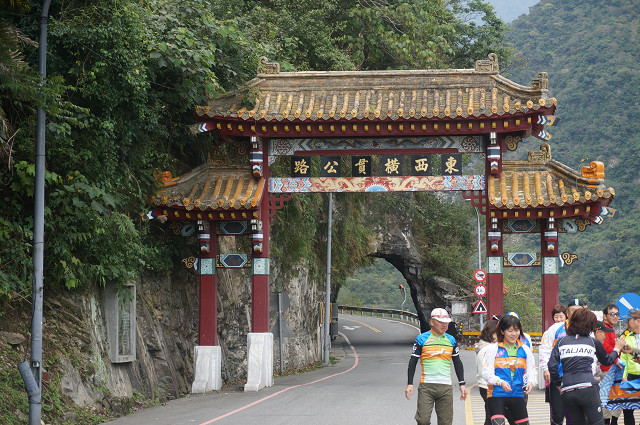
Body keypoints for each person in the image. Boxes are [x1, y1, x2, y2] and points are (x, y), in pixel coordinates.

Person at [548, 309, 626, 425]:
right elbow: (607, 361)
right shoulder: (592, 341)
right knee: (598, 422)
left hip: (567, 389)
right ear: (589, 325)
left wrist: (559, 384)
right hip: (587, 388)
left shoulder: (561, 342)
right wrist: (617, 348)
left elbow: (552, 366)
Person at [406, 308, 467, 425]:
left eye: (446, 322)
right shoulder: (421, 339)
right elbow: (413, 361)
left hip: (446, 387)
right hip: (426, 387)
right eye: (440, 322)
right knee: (422, 420)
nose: (444, 325)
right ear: (432, 322)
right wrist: (410, 383)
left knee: (446, 422)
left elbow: (457, 362)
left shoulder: (451, 340)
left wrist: (462, 384)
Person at [481, 314, 537, 425]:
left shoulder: (525, 350)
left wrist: (531, 382)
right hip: (496, 393)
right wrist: (500, 382)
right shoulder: (493, 349)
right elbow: (486, 373)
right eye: (510, 331)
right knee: (498, 422)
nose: (514, 334)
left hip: (517, 393)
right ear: (502, 331)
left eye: (516, 330)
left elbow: (532, 371)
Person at [540, 299, 587, 425]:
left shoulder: (587, 329)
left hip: (579, 377)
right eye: (573, 310)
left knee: (576, 413)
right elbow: (545, 349)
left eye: (579, 310)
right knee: (558, 413)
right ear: (567, 312)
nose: (576, 313)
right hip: (558, 376)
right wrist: (545, 369)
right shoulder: (555, 328)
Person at [601, 304, 622, 425]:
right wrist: (618, 349)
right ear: (605, 316)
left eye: (617, 314)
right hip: (607, 369)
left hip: (614, 368)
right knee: (608, 398)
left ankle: (612, 421)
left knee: (613, 398)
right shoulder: (604, 329)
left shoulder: (611, 329)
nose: (615, 317)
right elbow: (606, 348)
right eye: (612, 314)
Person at [476, 319, 499, 425]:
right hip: (489, 386)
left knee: (490, 416)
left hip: (485, 386)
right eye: (497, 333)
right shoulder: (489, 349)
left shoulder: (484, 346)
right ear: (491, 333)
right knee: (492, 417)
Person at [620, 309, 640, 425]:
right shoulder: (627, 337)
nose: (626, 323)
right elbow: (624, 359)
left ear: (638, 321)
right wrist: (624, 377)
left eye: (628, 320)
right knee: (627, 409)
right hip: (631, 377)